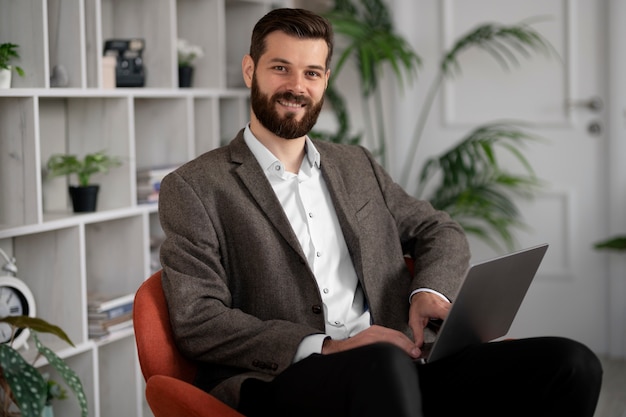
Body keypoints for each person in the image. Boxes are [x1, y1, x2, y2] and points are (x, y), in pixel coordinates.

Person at [158, 7, 602, 417]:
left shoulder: (356, 164)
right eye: (280, 68)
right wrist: (329, 346)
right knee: (384, 367)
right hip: (290, 376)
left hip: (404, 355)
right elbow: (200, 321)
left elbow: (437, 228)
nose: (297, 86)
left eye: (311, 73)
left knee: (572, 363)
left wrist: (429, 292)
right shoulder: (195, 187)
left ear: (325, 81)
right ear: (250, 70)